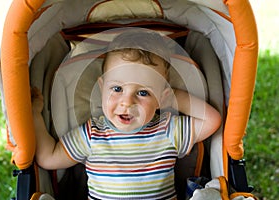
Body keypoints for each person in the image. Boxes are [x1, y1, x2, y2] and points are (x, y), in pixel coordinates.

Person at [31, 30, 221, 199]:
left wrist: (174, 99)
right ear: (101, 88)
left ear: (160, 99)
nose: (127, 102)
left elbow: (212, 121)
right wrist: (34, 115)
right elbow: (48, 157)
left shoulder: (167, 129)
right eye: (117, 88)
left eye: (143, 92)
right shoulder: (92, 134)